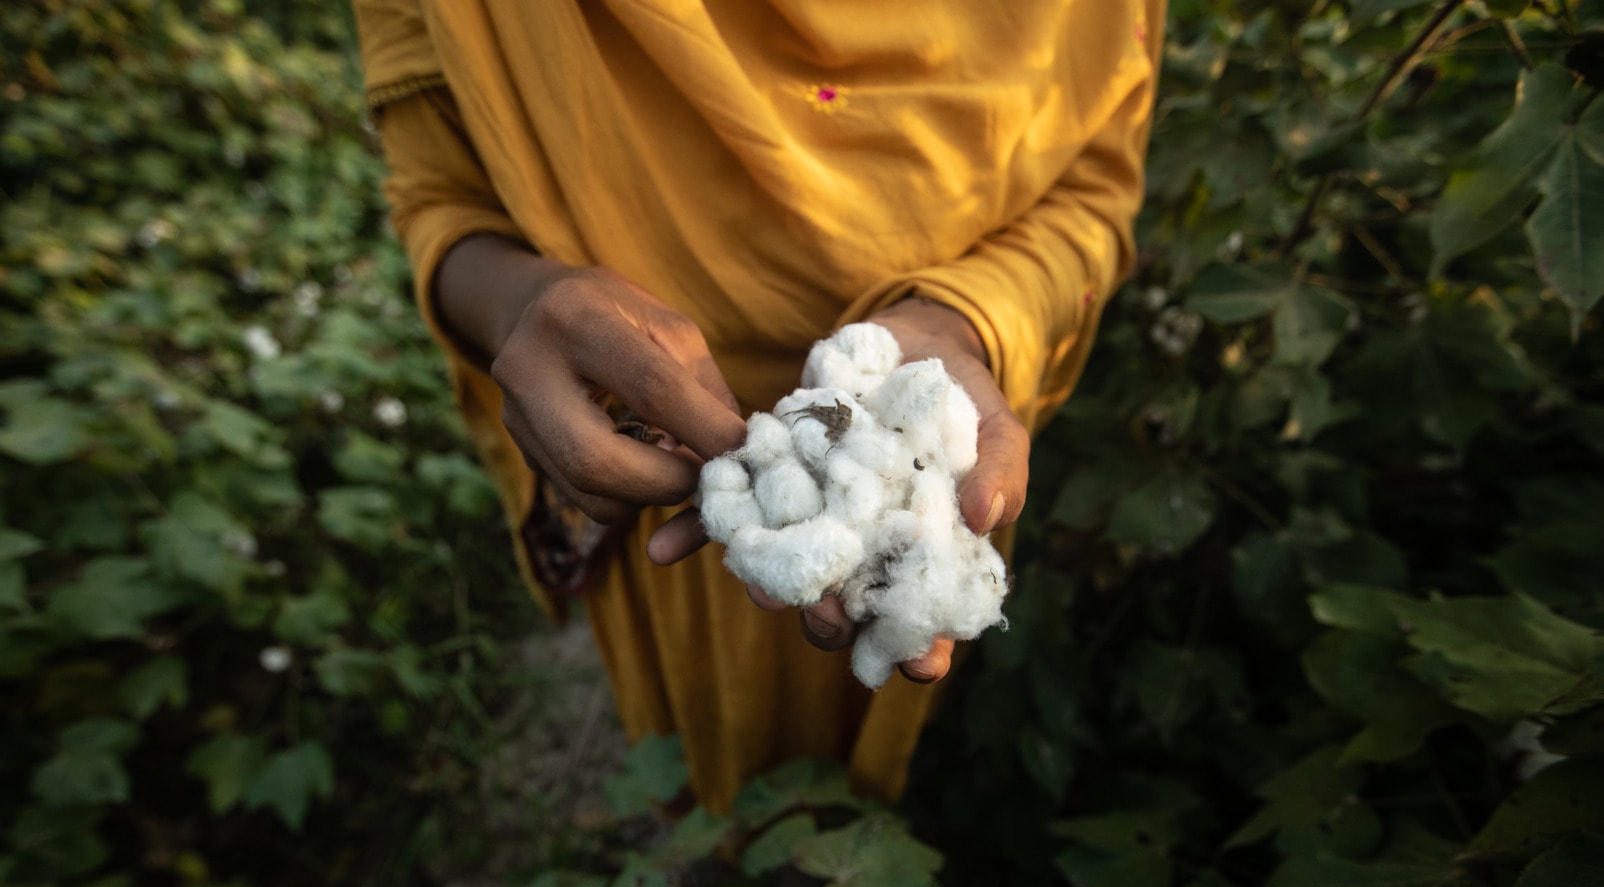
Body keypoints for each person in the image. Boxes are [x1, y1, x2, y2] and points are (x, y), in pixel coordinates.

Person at [353, 0, 1164, 813]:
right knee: (706, 760)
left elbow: (1094, 183)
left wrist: (957, 319)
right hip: (637, 448)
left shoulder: (906, 475)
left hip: (946, 432)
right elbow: (441, 198)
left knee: (885, 750)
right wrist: (523, 300)